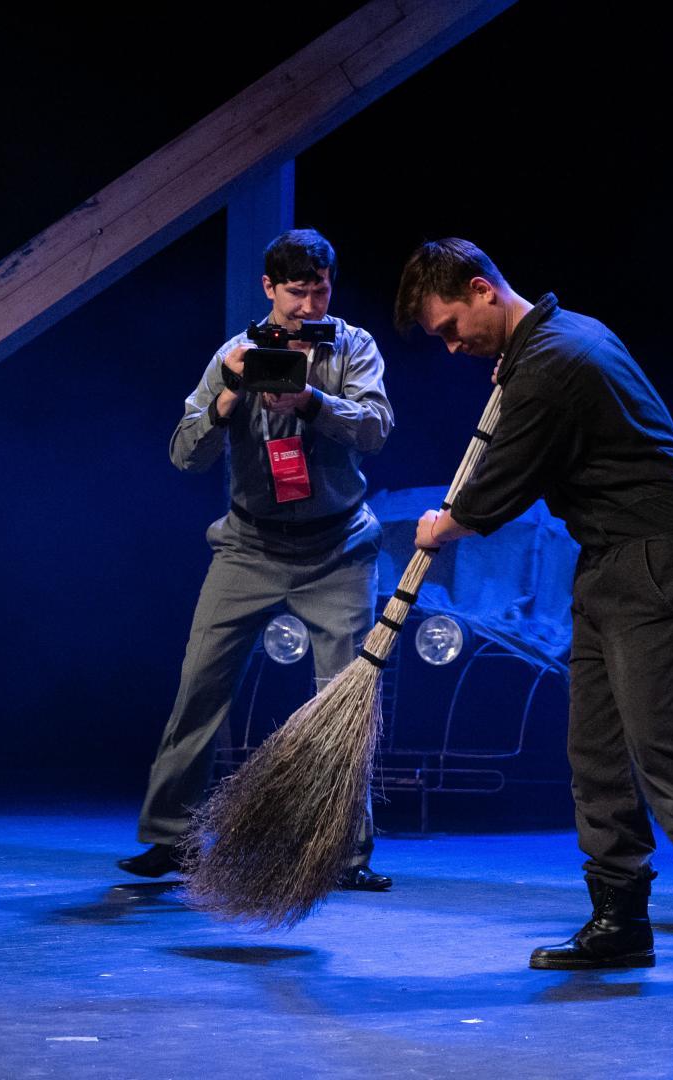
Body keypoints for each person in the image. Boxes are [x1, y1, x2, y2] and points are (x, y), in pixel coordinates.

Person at [395, 238, 673, 983]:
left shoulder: (556, 358)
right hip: (608, 556)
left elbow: (503, 484)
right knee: (593, 749)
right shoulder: (555, 343)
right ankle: (619, 920)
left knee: (659, 739)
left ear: (482, 289)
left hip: (654, 556)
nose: (451, 347)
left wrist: (445, 523)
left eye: (450, 328)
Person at [118, 228, 394, 891]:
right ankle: (172, 838)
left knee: (344, 701)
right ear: (269, 288)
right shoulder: (233, 355)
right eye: (296, 292)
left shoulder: (353, 347)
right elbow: (183, 454)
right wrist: (227, 397)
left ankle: (346, 853)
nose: (308, 306)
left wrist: (312, 402)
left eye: (319, 291)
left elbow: (376, 428)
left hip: (338, 547)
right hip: (248, 546)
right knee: (199, 686)